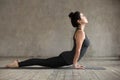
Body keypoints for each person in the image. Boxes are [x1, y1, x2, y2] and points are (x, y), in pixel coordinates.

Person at [5, 11, 90, 69]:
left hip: (67, 58)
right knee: (41, 62)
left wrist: (75, 63)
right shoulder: (80, 33)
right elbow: (78, 50)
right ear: (79, 21)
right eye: (83, 16)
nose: (85, 16)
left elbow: (78, 50)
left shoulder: (81, 32)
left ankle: (19, 63)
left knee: (43, 62)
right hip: (66, 59)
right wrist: (75, 64)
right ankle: (18, 64)